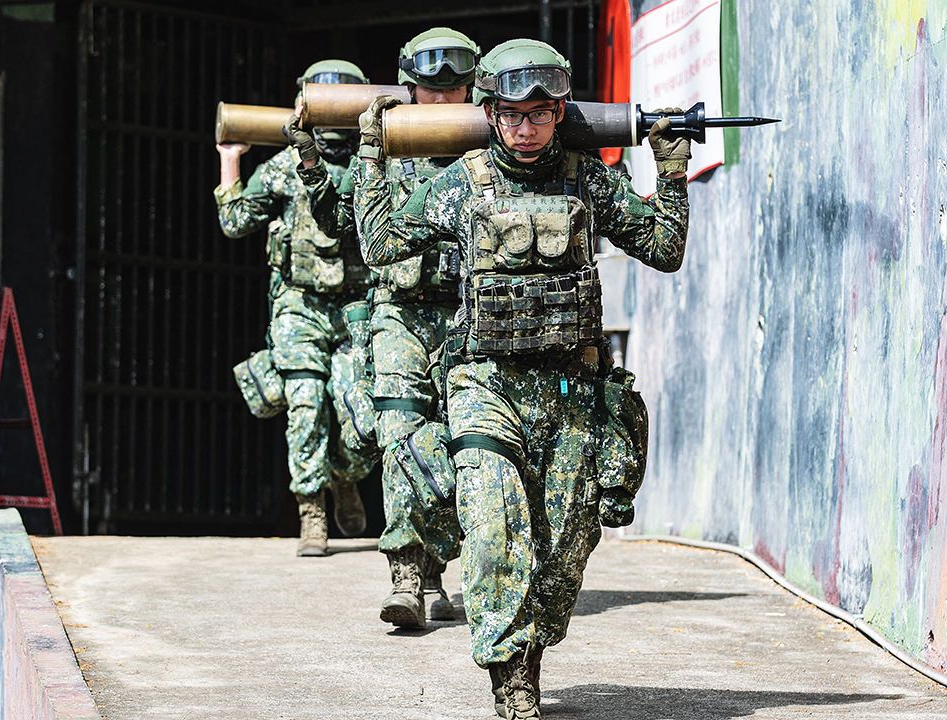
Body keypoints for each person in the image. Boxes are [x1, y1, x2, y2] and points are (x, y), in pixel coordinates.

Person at [356, 39, 691, 717]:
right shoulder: (463, 182)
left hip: (569, 396)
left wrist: (672, 173)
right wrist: (370, 159)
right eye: (509, 114)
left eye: (538, 114)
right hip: (486, 388)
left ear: (560, 110)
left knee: (563, 551)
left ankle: (531, 649)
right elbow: (383, 244)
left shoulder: (586, 179)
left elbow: (663, 250)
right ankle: (511, 679)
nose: (523, 127)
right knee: (494, 528)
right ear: (490, 112)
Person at [296, 27, 479, 630]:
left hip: (467, 316)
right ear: (411, 87)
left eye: (454, 90)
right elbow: (336, 215)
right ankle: (404, 572)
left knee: (457, 442)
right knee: (401, 435)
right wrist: (313, 164)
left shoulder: (490, 149)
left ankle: (436, 567)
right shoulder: (385, 142)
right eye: (430, 89)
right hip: (398, 312)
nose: (441, 101)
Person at [215, 60, 376, 557]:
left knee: (360, 418)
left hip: (356, 308)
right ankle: (311, 510)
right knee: (305, 406)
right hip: (298, 306)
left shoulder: (374, 165)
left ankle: (343, 478)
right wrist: (230, 159)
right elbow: (236, 222)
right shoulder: (286, 167)